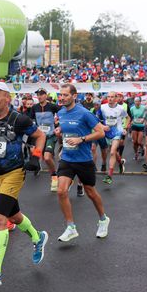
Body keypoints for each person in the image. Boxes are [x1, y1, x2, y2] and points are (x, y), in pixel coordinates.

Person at [0, 82, 49, 286]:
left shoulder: (18, 119)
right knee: (14, 215)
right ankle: (38, 237)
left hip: (14, 173)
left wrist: (36, 156)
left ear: (7, 98)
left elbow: (40, 135)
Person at [54, 84, 110, 242]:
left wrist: (82, 139)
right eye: (60, 95)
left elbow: (100, 132)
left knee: (90, 192)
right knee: (61, 191)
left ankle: (103, 219)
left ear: (74, 96)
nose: (62, 98)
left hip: (83, 159)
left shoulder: (85, 113)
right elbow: (65, 130)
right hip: (67, 158)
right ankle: (70, 227)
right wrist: (59, 131)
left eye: (65, 95)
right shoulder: (61, 112)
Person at [29, 88, 61, 191]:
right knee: (36, 153)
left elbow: (63, 114)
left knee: (47, 157)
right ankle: (37, 167)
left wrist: (58, 123)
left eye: (41, 94)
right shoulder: (34, 107)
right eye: (38, 95)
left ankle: (54, 176)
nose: (39, 96)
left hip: (51, 135)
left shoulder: (52, 106)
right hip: (40, 137)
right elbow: (31, 120)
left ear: (46, 95)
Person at [97, 92, 129, 185]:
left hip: (117, 132)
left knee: (112, 152)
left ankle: (109, 176)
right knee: (114, 153)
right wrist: (102, 126)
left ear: (116, 98)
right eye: (108, 97)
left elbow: (128, 118)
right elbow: (96, 119)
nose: (110, 99)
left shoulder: (120, 108)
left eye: (112, 97)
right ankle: (120, 162)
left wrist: (125, 128)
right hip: (106, 132)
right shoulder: (102, 107)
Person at [128, 96, 146, 161]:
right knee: (134, 142)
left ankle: (143, 148)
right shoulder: (132, 108)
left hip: (141, 126)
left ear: (140, 102)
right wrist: (130, 121)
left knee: (139, 142)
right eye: (135, 101)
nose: (137, 102)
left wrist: (144, 119)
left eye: (138, 101)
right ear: (134, 102)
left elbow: (146, 115)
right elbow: (129, 116)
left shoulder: (144, 108)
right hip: (134, 125)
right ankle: (136, 154)